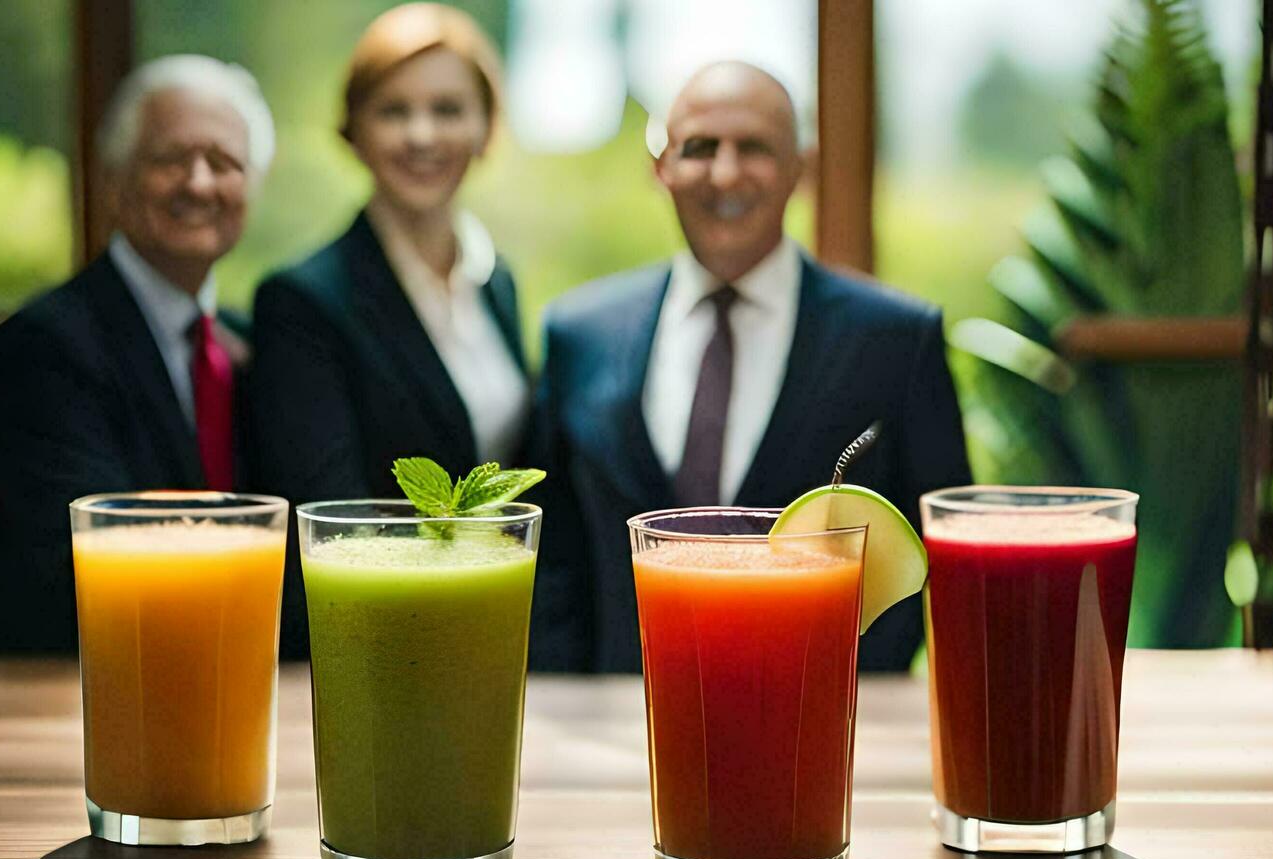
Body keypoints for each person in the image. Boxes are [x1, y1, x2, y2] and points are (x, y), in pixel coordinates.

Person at [532, 61, 971, 673]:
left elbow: (947, 565)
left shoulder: (898, 340)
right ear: (659, 167)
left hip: (826, 730)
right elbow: (552, 558)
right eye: (699, 147)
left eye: (755, 148)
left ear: (802, 168)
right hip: (620, 735)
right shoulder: (578, 334)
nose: (725, 173)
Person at [0, 55, 275, 653]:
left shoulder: (248, 344)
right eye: (169, 159)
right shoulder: (41, 349)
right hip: (54, 694)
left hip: (211, 684)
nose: (199, 183)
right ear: (113, 181)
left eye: (225, 162)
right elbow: (76, 565)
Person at [248, 3, 527, 658]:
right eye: (393, 110)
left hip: (491, 635)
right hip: (380, 650)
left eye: (449, 109)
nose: (422, 134)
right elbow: (333, 524)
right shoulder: (303, 302)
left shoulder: (498, 284)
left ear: (486, 126)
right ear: (355, 130)